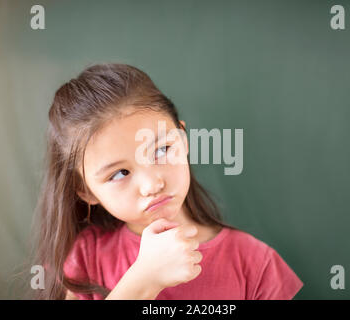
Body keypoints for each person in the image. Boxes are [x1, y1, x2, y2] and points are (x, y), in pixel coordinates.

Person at [30, 63, 303, 300]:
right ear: (87, 191)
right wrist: (144, 280)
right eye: (119, 173)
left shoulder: (255, 263)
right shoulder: (86, 257)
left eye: (161, 150)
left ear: (182, 139)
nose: (152, 185)